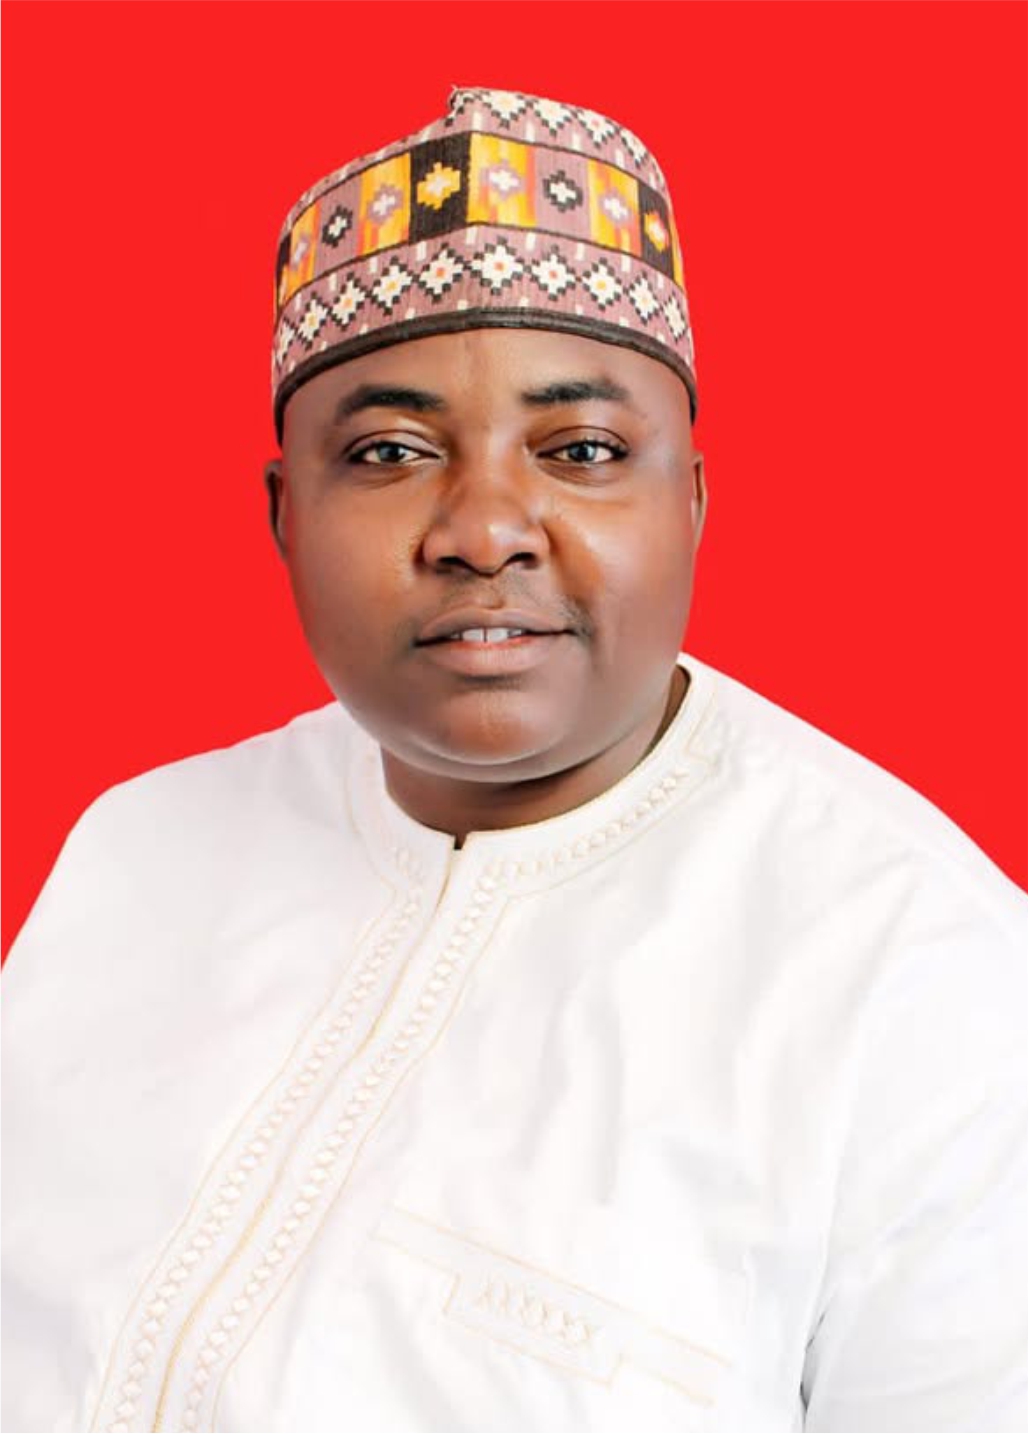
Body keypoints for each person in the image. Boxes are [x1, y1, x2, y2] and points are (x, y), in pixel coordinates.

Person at [2, 85, 1026, 1434]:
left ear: (691, 501)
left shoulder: (927, 980)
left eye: (582, 450)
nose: (485, 528)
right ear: (284, 513)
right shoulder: (134, 851)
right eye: (389, 451)